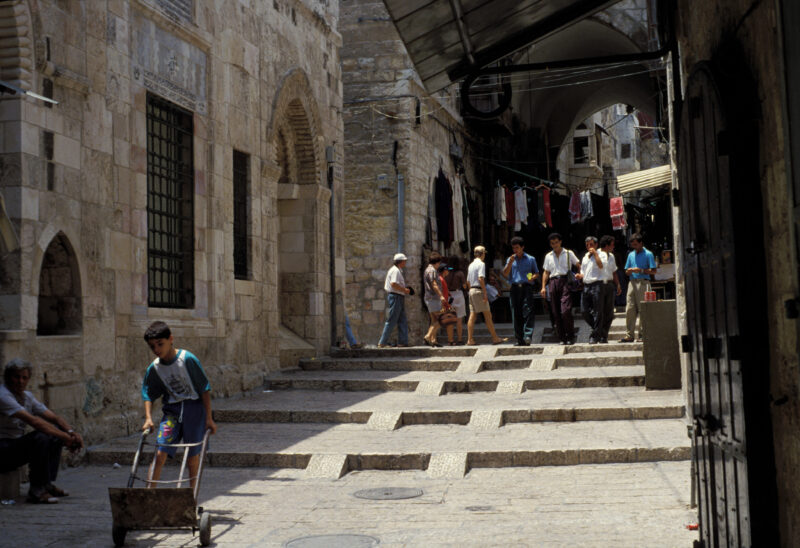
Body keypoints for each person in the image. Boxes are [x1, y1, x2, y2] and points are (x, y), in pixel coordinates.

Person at [142, 321, 217, 489]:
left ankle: (191, 497)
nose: (157, 350)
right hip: (172, 413)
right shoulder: (155, 368)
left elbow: (204, 389)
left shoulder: (187, 359)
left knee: (192, 457)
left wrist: (209, 418)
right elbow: (148, 393)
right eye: (152, 347)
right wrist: (148, 418)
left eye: (160, 344)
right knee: (160, 451)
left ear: (171, 339)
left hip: (195, 411)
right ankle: (148, 494)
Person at [0, 358, 83, 504]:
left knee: (54, 433)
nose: (20, 381)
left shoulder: (27, 397)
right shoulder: (3, 396)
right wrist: (66, 437)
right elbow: (35, 422)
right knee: (41, 437)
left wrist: (70, 432)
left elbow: (54, 417)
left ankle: (46, 484)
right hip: (3, 449)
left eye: (24, 378)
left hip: (14, 445)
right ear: (8, 377)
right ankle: (36, 491)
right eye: (16, 377)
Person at [540, 233, 581, 345]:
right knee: (556, 312)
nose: (555, 245)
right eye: (552, 243)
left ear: (560, 242)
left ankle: (570, 335)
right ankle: (562, 337)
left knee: (565, 310)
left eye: (556, 242)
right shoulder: (548, 256)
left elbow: (578, 264)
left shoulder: (568, 253)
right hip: (553, 282)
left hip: (565, 282)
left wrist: (580, 275)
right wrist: (543, 287)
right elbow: (546, 272)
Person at [466, 245, 508, 345]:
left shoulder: (471, 265)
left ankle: (470, 339)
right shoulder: (481, 264)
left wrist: (470, 291)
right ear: (483, 254)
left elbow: (467, 281)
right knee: (488, 316)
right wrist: (485, 293)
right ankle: (495, 338)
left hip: (471, 290)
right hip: (478, 290)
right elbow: (481, 278)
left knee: (472, 315)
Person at [502, 236, 539, 346]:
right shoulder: (510, 259)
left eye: (517, 248)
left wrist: (533, 277)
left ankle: (527, 335)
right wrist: (510, 263)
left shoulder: (530, 259)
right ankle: (519, 339)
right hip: (514, 288)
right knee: (516, 312)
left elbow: (536, 273)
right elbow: (505, 273)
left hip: (527, 287)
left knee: (528, 311)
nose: (515, 250)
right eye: (513, 248)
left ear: (522, 247)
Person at [621, 233, 657, 342]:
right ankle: (629, 335)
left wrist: (640, 270)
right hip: (632, 282)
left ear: (641, 243)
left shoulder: (648, 254)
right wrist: (630, 271)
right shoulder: (631, 254)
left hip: (643, 282)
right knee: (630, 309)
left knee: (643, 309)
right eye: (633, 245)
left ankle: (642, 334)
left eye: (636, 244)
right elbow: (626, 271)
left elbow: (653, 270)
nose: (634, 247)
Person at [377, 253, 411, 348]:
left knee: (402, 319)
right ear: (401, 261)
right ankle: (382, 341)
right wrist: (404, 290)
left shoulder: (397, 270)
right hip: (396, 296)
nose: (405, 262)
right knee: (392, 319)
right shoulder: (395, 271)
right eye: (404, 261)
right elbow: (393, 284)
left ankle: (403, 341)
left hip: (398, 296)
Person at [579, 236, 607, 344]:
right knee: (584, 310)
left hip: (597, 284)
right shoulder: (585, 256)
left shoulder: (602, 254)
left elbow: (601, 266)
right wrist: (580, 276)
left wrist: (595, 254)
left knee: (598, 311)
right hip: (586, 285)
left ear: (596, 244)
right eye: (587, 245)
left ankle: (595, 336)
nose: (589, 247)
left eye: (591, 244)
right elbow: (583, 271)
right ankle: (600, 329)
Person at [599, 235, 622, 343]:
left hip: (609, 284)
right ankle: (598, 332)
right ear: (607, 245)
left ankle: (604, 335)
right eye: (612, 245)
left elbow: (614, 271)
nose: (613, 247)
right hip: (598, 284)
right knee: (599, 311)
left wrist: (617, 284)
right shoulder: (596, 254)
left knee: (609, 311)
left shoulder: (612, 256)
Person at [423, 252, 448, 347]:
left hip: (430, 298)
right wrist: (441, 295)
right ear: (437, 262)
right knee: (441, 319)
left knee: (434, 320)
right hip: (433, 298)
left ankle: (433, 340)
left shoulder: (428, 269)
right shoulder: (432, 270)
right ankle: (428, 336)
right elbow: (434, 284)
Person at [443, 257, 468, 345]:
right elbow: (465, 286)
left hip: (449, 295)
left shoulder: (446, 273)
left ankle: (450, 340)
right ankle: (460, 340)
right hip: (458, 295)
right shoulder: (460, 273)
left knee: (449, 319)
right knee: (459, 319)